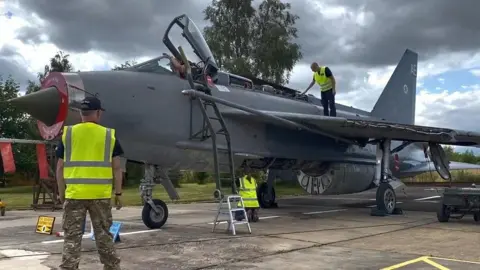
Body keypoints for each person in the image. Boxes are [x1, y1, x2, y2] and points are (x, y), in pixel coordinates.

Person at [56, 96, 124, 270]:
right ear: (99, 113)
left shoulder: (68, 134)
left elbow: (60, 168)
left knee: (71, 239)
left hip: (74, 195)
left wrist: (62, 193)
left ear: (80, 113)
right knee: (104, 238)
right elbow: (117, 168)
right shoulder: (109, 135)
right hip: (100, 196)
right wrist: (118, 194)